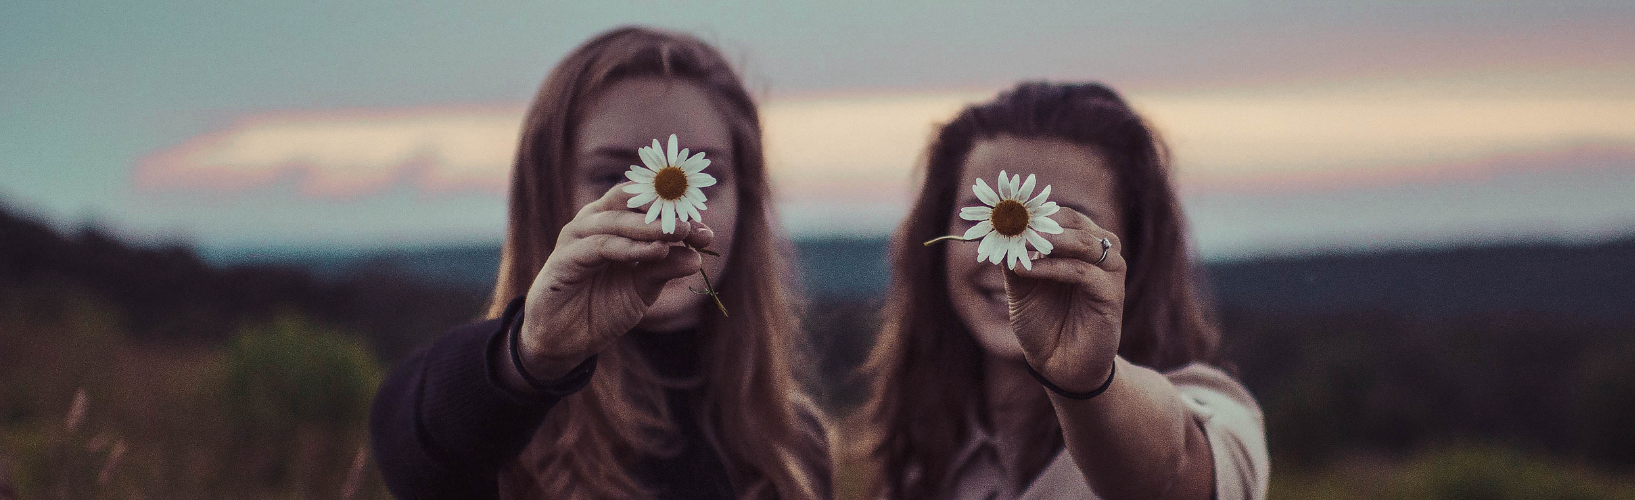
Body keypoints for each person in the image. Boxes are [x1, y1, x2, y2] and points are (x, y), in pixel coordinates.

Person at [369, 27, 828, 499]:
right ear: (547, 198)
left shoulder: (793, 446)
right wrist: (530, 357)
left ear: (746, 201)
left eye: (699, 179)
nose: (662, 212)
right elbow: (411, 444)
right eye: (614, 176)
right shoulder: (505, 435)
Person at [858, 81, 1269, 499]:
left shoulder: (1220, 419)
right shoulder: (919, 458)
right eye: (986, 217)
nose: (1013, 260)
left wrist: (1089, 384)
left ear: (1134, 250)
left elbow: (1172, 468)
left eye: (1059, 224)